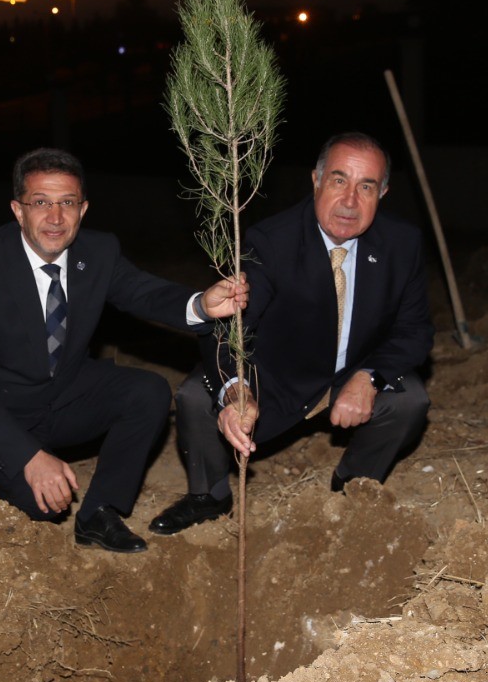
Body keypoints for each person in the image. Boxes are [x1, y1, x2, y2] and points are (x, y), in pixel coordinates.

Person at [0, 147, 247, 554]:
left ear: (83, 210)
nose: (55, 217)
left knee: (148, 391)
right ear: (17, 210)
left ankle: (100, 513)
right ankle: (2, 479)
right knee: (44, 505)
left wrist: (201, 305)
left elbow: (145, 293)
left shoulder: (98, 252)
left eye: (67, 203)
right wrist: (28, 458)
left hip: (63, 395)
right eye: (41, 203)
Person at [150, 132, 433, 535]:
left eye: (366, 186)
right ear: (315, 180)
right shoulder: (271, 241)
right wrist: (237, 391)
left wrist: (369, 376)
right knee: (196, 395)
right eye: (339, 180)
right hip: (277, 377)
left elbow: (415, 330)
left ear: (383, 192)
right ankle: (208, 497)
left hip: (350, 371)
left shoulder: (401, 244)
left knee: (411, 400)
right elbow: (231, 328)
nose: (350, 201)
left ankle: (354, 487)